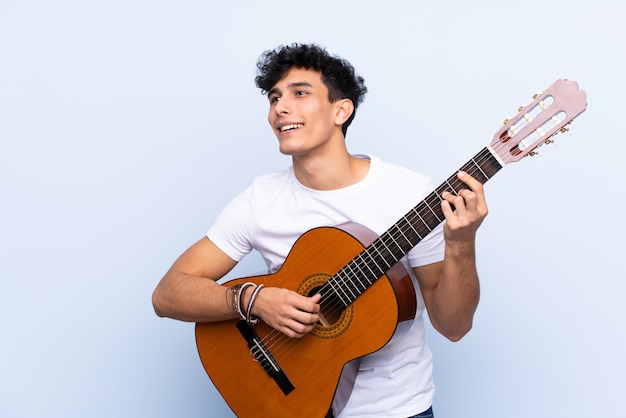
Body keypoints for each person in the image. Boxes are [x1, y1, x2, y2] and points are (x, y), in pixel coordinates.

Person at [152, 43, 488, 418]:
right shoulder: (260, 200)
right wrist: (254, 300)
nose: (280, 107)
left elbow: (453, 326)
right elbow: (167, 295)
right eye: (274, 97)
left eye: (299, 93)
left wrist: (461, 244)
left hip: (399, 411)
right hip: (288, 405)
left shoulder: (409, 195)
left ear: (340, 111)